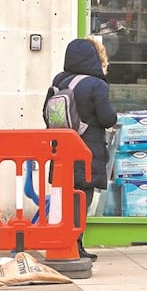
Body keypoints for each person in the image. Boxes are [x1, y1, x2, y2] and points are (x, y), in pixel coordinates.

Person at [44, 37, 117, 261]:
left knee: (63, 198)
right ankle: (75, 245)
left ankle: (63, 241)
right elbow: (107, 118)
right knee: (81, 199)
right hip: (87, 150)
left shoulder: (59, 80)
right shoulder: (97, 85)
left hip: (61, 150)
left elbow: (46, 114)